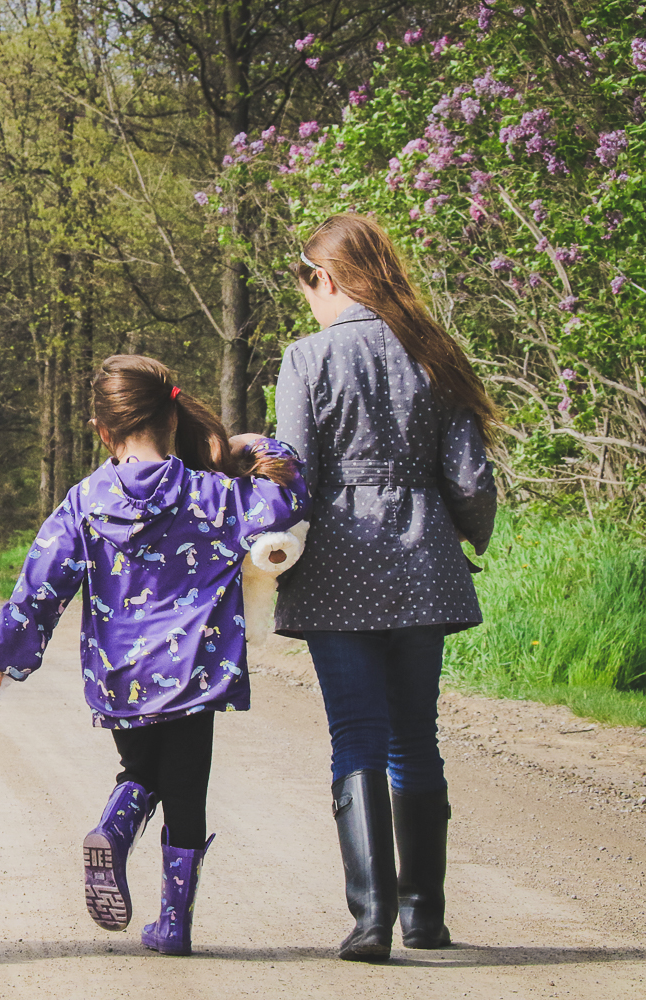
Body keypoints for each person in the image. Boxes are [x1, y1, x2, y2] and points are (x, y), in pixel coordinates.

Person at [0, 355, 308, 956]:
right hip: (195, 672)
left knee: (142, 772)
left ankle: (115, 828)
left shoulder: (85, 501)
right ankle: (173, 925)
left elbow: (42, 582)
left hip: (122, 674)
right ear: (172, 417)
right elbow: (285, 502)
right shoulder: (213, 495)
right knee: (185, 789)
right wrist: (263, 445)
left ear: (104, 431)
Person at [277, 213, 499, 962]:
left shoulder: (306, 360)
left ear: (327, 277)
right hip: (422, 563)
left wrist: (270, 543)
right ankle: (423, 918)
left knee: (357, 736)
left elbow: (295, 476)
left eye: (306, 280)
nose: (306, 296)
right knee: (415, 738)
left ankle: (370, 920)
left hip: (336, 567)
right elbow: (471, 479)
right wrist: (465, 534)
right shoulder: (435, 356)